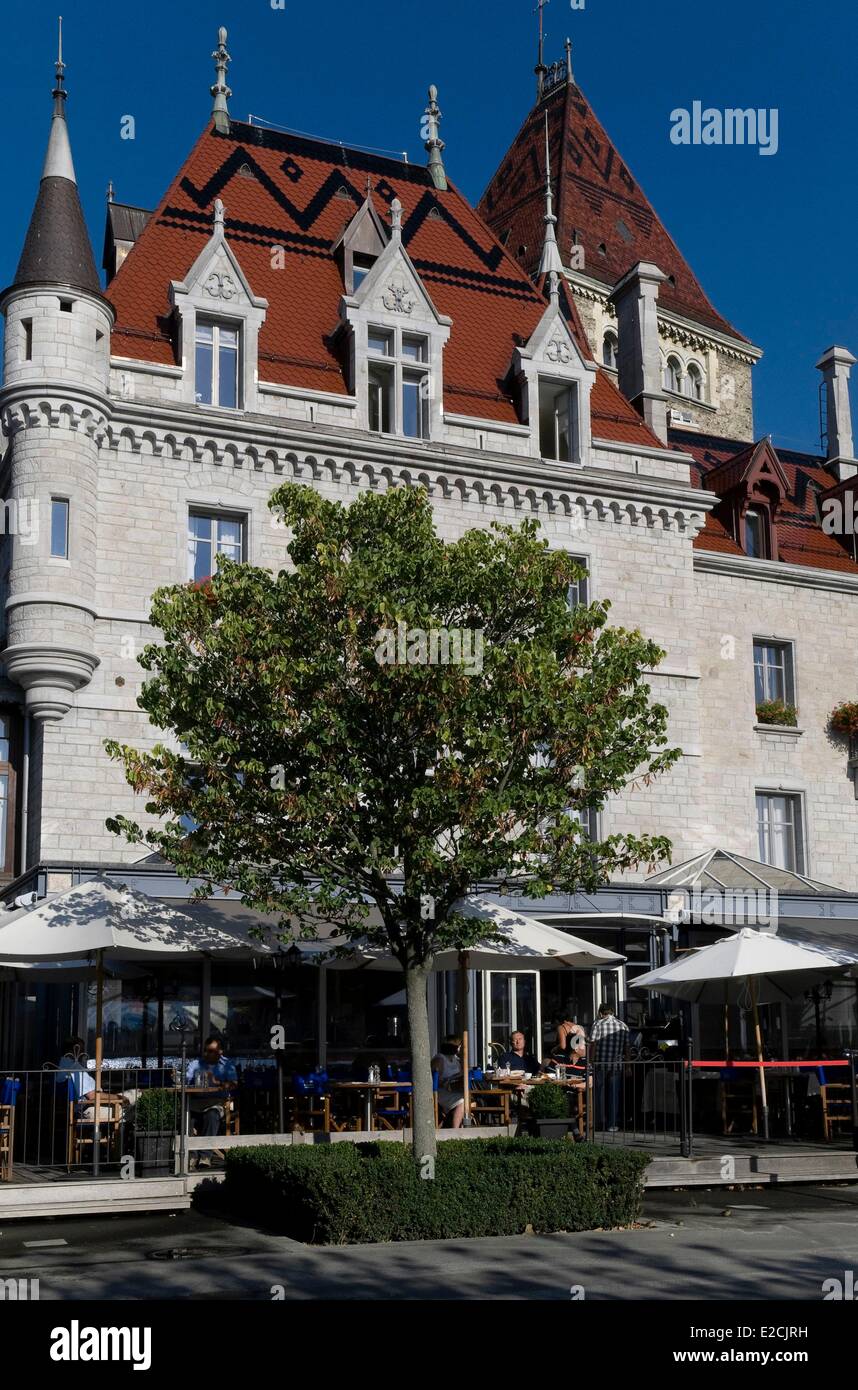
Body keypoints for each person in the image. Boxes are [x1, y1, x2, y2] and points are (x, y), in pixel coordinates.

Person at [185, 1036, 237, 1168]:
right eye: (206, 1051)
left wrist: (217, 1082)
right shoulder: (195, 1064)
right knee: (185, 1118)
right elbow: (186, 1080)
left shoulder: (227, 1064)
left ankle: (205, 1156)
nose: (207, 1054)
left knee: (212, 1116)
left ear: (220, 1052)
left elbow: (234, 1084)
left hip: (216, 1102)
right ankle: (192, 1155)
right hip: (196, 1102)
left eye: (211, 1051)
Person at [590, 1004, 629, 1132]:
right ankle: (612, 1124)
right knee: (614, 1094)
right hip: (616, 1065)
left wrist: (591, 1061)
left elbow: (593, 1045)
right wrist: (627, 1066)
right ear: (612, 1012)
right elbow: (627, 1049)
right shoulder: (623, 1026)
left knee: (599, 1093)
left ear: (601, 1013)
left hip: (600, 1064)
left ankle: (600, 1122)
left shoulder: (598, 1024)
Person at [431, 1036, 464, 1129]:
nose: (460, 1048)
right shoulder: (440, 1059)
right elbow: (433, 1079)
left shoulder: (456, 1059)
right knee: (462, 1100)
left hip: (454, 1090)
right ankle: (455, 1130)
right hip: (441, 1092)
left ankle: (460, 1125)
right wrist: (447, 1082)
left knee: (469, 1098)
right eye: (459, 1046)